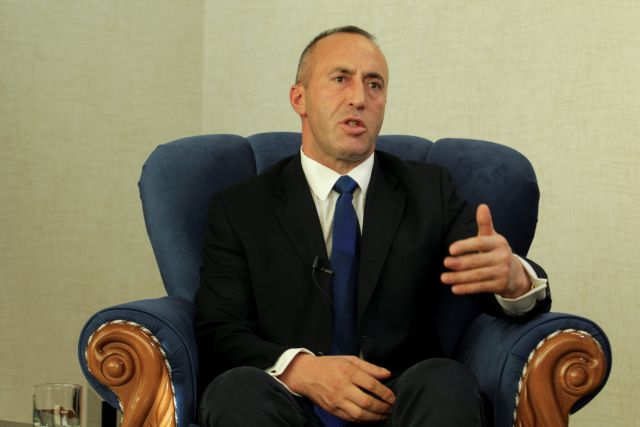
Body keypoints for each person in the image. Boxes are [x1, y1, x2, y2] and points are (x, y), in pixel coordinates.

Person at [195, 26, 551, 426]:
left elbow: (481, 272)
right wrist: (302, 370)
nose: (359, 98)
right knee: (236, 390)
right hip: (289, 399)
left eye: (374, 85)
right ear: (299, 99)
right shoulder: (241, 207)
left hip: (399, 400)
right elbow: (218, 328)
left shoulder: (430, 191)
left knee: (446, 379)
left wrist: (514, 279)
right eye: (340, 79)